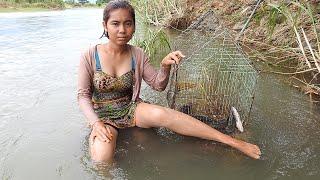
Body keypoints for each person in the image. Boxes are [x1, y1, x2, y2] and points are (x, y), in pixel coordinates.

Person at [77, 0, 261, 163]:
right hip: (102, 116)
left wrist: (165, 66)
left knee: (163, 114)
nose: (122, 30)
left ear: (134, 26)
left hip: (130, 109)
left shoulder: (137, 54)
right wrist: (95, 123)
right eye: (115, 24)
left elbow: (158, 85)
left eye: (128, 23)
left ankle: (232, 141)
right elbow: (83, 96)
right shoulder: (90, 55)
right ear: (105, 25)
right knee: (102, 158)